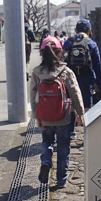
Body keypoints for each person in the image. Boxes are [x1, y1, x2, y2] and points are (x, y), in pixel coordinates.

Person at [30, 36, 84, 189]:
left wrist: (37, 116)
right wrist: (80, 113)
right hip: (64, 117)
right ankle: (61, 180)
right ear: (60, 52)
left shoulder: (37, 72)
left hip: (45, 117)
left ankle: (46, 162)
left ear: (42, 53)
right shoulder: (65, 71)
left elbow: (33, 96)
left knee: (47, 143)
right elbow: (75, 92)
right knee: (63, 149)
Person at [63, 18, 101, 134]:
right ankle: (87, 132)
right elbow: (97, 65)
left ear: (76, 30)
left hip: (70, 78)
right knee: (87, 105)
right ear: (89, 31)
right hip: (87, 78)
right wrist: (98, 83)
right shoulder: (92, 44)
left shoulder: (69, 42)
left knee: (70, 103)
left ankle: (71, 131)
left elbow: (60, 59)